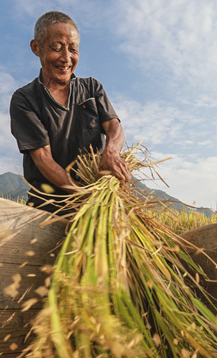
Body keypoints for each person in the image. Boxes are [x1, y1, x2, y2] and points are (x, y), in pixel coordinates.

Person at [10, 11, 130, 213]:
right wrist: (83, 195)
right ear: (36, 47)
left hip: (97, 201)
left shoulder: (92, 88)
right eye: (56, 48)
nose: (66, 58)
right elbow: (43, 158)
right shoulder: (25, 99)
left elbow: (114, 126)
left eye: (73, 50)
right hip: (48, 207)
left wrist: (110, 153)